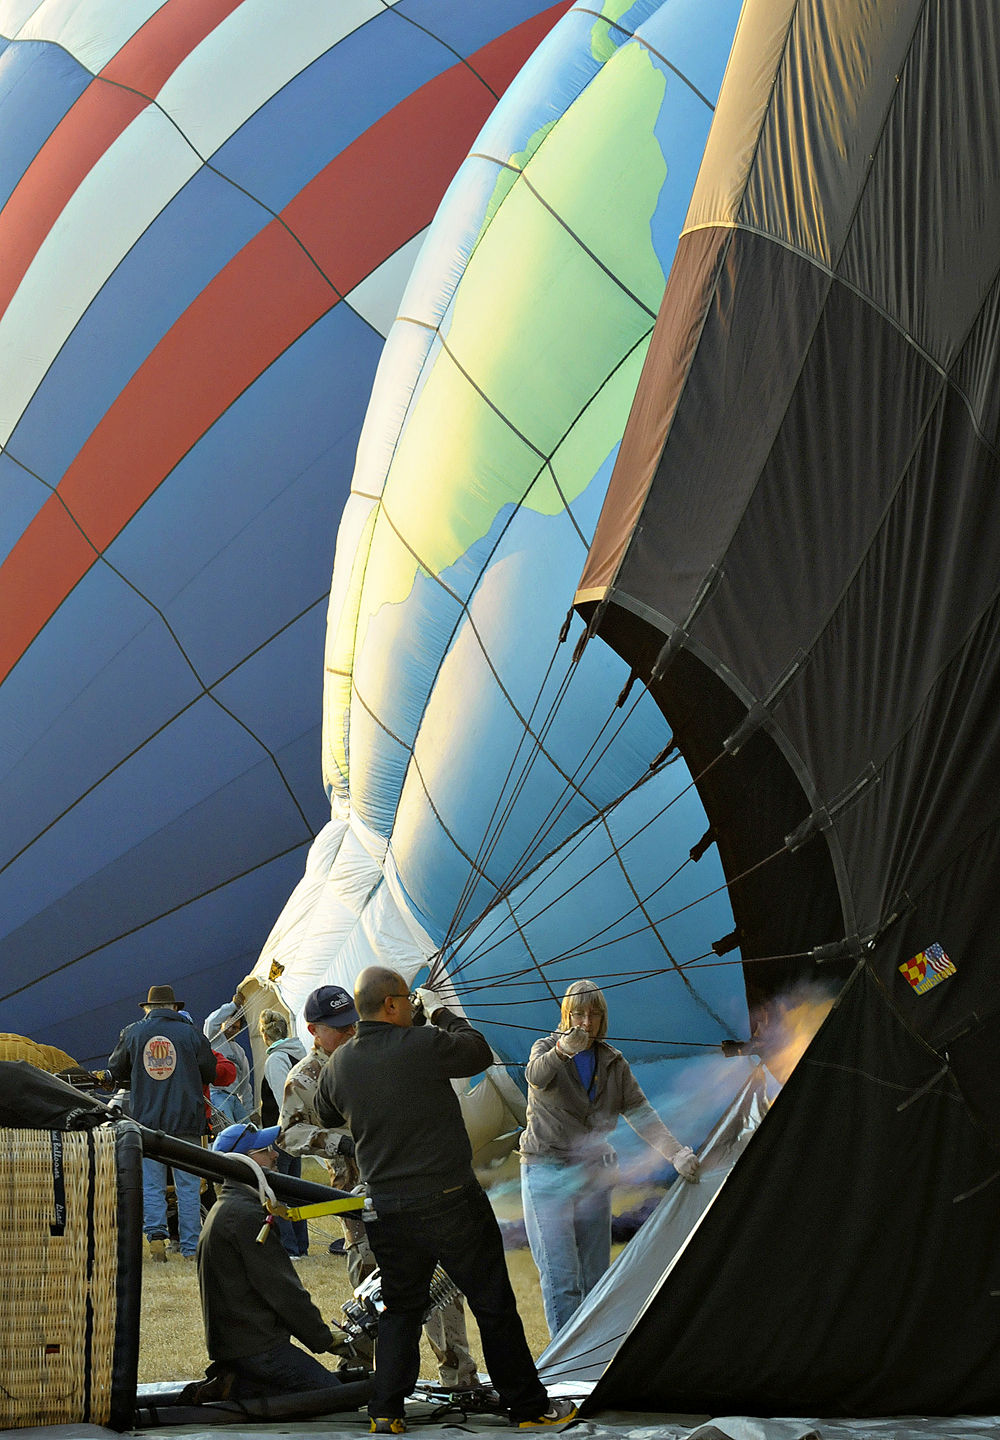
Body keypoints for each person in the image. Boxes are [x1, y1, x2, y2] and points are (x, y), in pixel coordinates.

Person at [316, 966, 576, 1434]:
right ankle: (529, 1408)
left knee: (400, 1309)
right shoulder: (421, 1044)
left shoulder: (340, 1064)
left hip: (388, 1210)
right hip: (450, 1201)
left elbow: (325, 1109)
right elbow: (477, 1053)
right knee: (491, 1303)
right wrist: (439, 1013)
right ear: (393, 1004)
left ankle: (386, 1411)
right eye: (405, 1002)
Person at [278, 985, 480, 1393]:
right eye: (337, 1028)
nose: (349, 1032)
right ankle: (369, 1383)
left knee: (438, 1286)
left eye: (352, 1023)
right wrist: (340, 1144)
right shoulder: (304, 1078)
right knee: (374, 1294)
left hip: (407, 1186)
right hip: (356, 1197)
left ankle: (458, 1377)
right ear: (314, 1031)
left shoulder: (376, 1053)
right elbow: (290, 1134)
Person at [519, 978, 700, 1338]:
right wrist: (562, 1051)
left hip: (592, 1176)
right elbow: (535, 1077)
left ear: (603, 1018)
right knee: (561, 1277)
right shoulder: (545, 1049)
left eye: (594, 1014)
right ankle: (565, 1368)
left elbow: (643, 1115)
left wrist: (676, 1154)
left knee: (595, 1278)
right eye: (579, 1014)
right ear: (566, 1016)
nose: (586, 1022)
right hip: (546, 1172)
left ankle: (594, 1360)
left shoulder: (613, 1062)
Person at [197, 1122, 358, 1399]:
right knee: (338, 1399)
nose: (274, 1155)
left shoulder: (228, 1208)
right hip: (259, 1349)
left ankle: (240, 1384)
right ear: (244, 1161)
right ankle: (242, 1387)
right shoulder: (246, 1217)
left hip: (243, 1345)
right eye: (265, 1150)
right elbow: (283, 1291)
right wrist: (323, 1338)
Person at [107, 982, 218, 1261]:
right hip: (187, 1121)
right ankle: (191, 1249)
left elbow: (115, 1070)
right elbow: (210, 1072)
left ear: (149, 1009)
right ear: (173, 1007)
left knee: (153, 1185)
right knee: (188, 1188)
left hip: (147, 1122)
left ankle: (157, 1239)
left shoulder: (133, 1033)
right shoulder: (191, 1033)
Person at [258, 1008, 308, 1258]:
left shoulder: (275, 1060)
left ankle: (290, 1248)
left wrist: (280, 1136)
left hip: (283, 1134)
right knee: (296, 1192)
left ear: (264, 1035)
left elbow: (283, 1100)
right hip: (299, 1131)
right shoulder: (298, 1055)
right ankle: (301, 1245)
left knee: (279, 1192)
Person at [203, 995, 252, 1124]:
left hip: (235, 1098)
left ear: (240, 1030)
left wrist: (250, 1111)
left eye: (235, 1027)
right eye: (228, 1025)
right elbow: (211, 1022)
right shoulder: (213, 1039)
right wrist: (233, 1005)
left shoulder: (240, 1051)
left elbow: (245, 1084)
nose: (230, 1030)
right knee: (229, 1131)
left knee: (249, 1130)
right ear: (222, 1024)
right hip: (217, 1094)